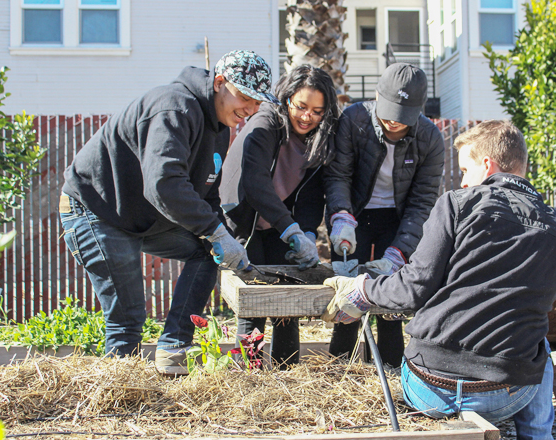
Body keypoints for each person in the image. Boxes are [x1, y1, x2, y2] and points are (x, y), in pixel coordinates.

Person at [322, 120, 556, 439]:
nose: (464, 182)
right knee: (535, 337)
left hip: (429, 386)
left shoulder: (457, 205)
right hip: (504, 393)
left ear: (487, 165)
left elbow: (413, 288)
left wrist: (361, 289)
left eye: (465, 171)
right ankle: (539, 436)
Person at [59, 50, 279, 374]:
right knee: (128, 319)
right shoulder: (174, 107)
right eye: (245, 97)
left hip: (140, 216)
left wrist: (224, 240)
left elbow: (207, 193)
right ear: (220, 83)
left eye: (258, 102)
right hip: (97, 210)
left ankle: (173, 349)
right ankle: (121, 397)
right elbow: (163, 184)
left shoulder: (219, 128)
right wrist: (216, 232)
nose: (250, 109)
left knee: (208, 251)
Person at [323, 63, 445, 368]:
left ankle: (390, 368)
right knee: (349, 288)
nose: (393, 122)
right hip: (357, 215)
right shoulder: (354, 120)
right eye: (388, 111)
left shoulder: (430, 139)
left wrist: (400, 252)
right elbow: (339, 174)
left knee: (392, 296)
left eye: (402, 117)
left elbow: (422, 202)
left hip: (398, 219)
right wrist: (341, 217)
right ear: (377, 95)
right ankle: (341, 365)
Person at [220, 64, 339, 368]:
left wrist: (308, 233)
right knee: (254, 303)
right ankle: (250, 374)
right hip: (246, 222)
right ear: (287, 99)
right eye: (301, 106)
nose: (306, 116)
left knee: (289, 303)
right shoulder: (265, 123)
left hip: (281, 226)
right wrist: (292, 230)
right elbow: (255, 183)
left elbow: (312, 195)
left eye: (316, 110)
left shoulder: (319, 138)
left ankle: (288, 375)